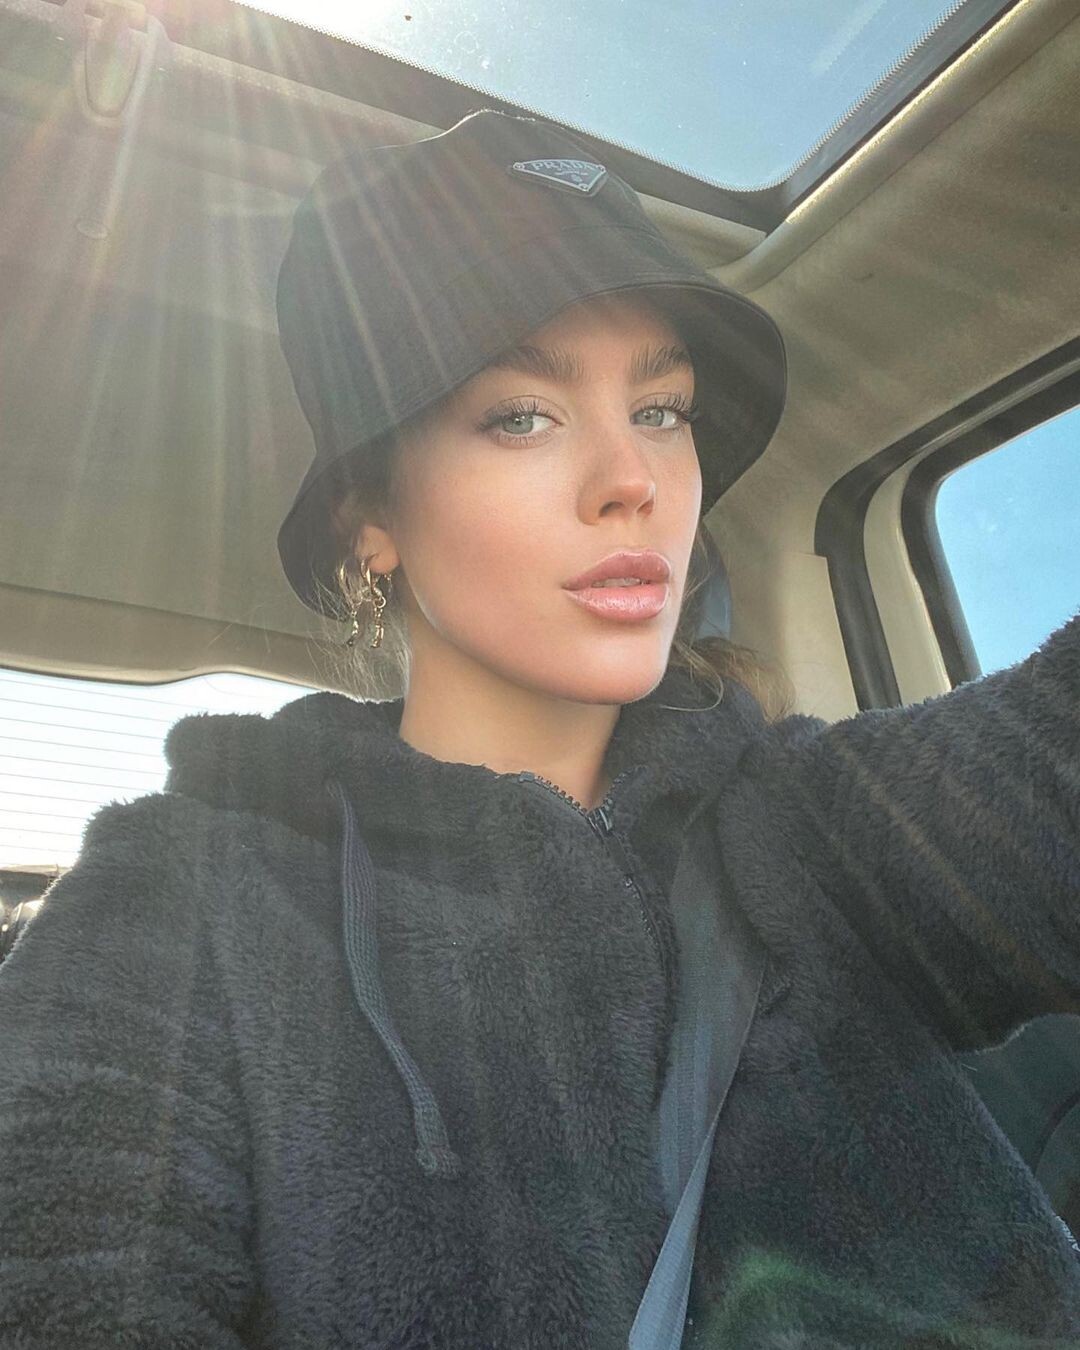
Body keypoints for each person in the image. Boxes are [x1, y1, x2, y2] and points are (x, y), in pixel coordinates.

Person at [1, 108, 1078, 1350]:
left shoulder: (813, 822)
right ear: (369, 521)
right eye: (521, 415)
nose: (634, 480)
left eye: (663, 409)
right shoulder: (180, 897)